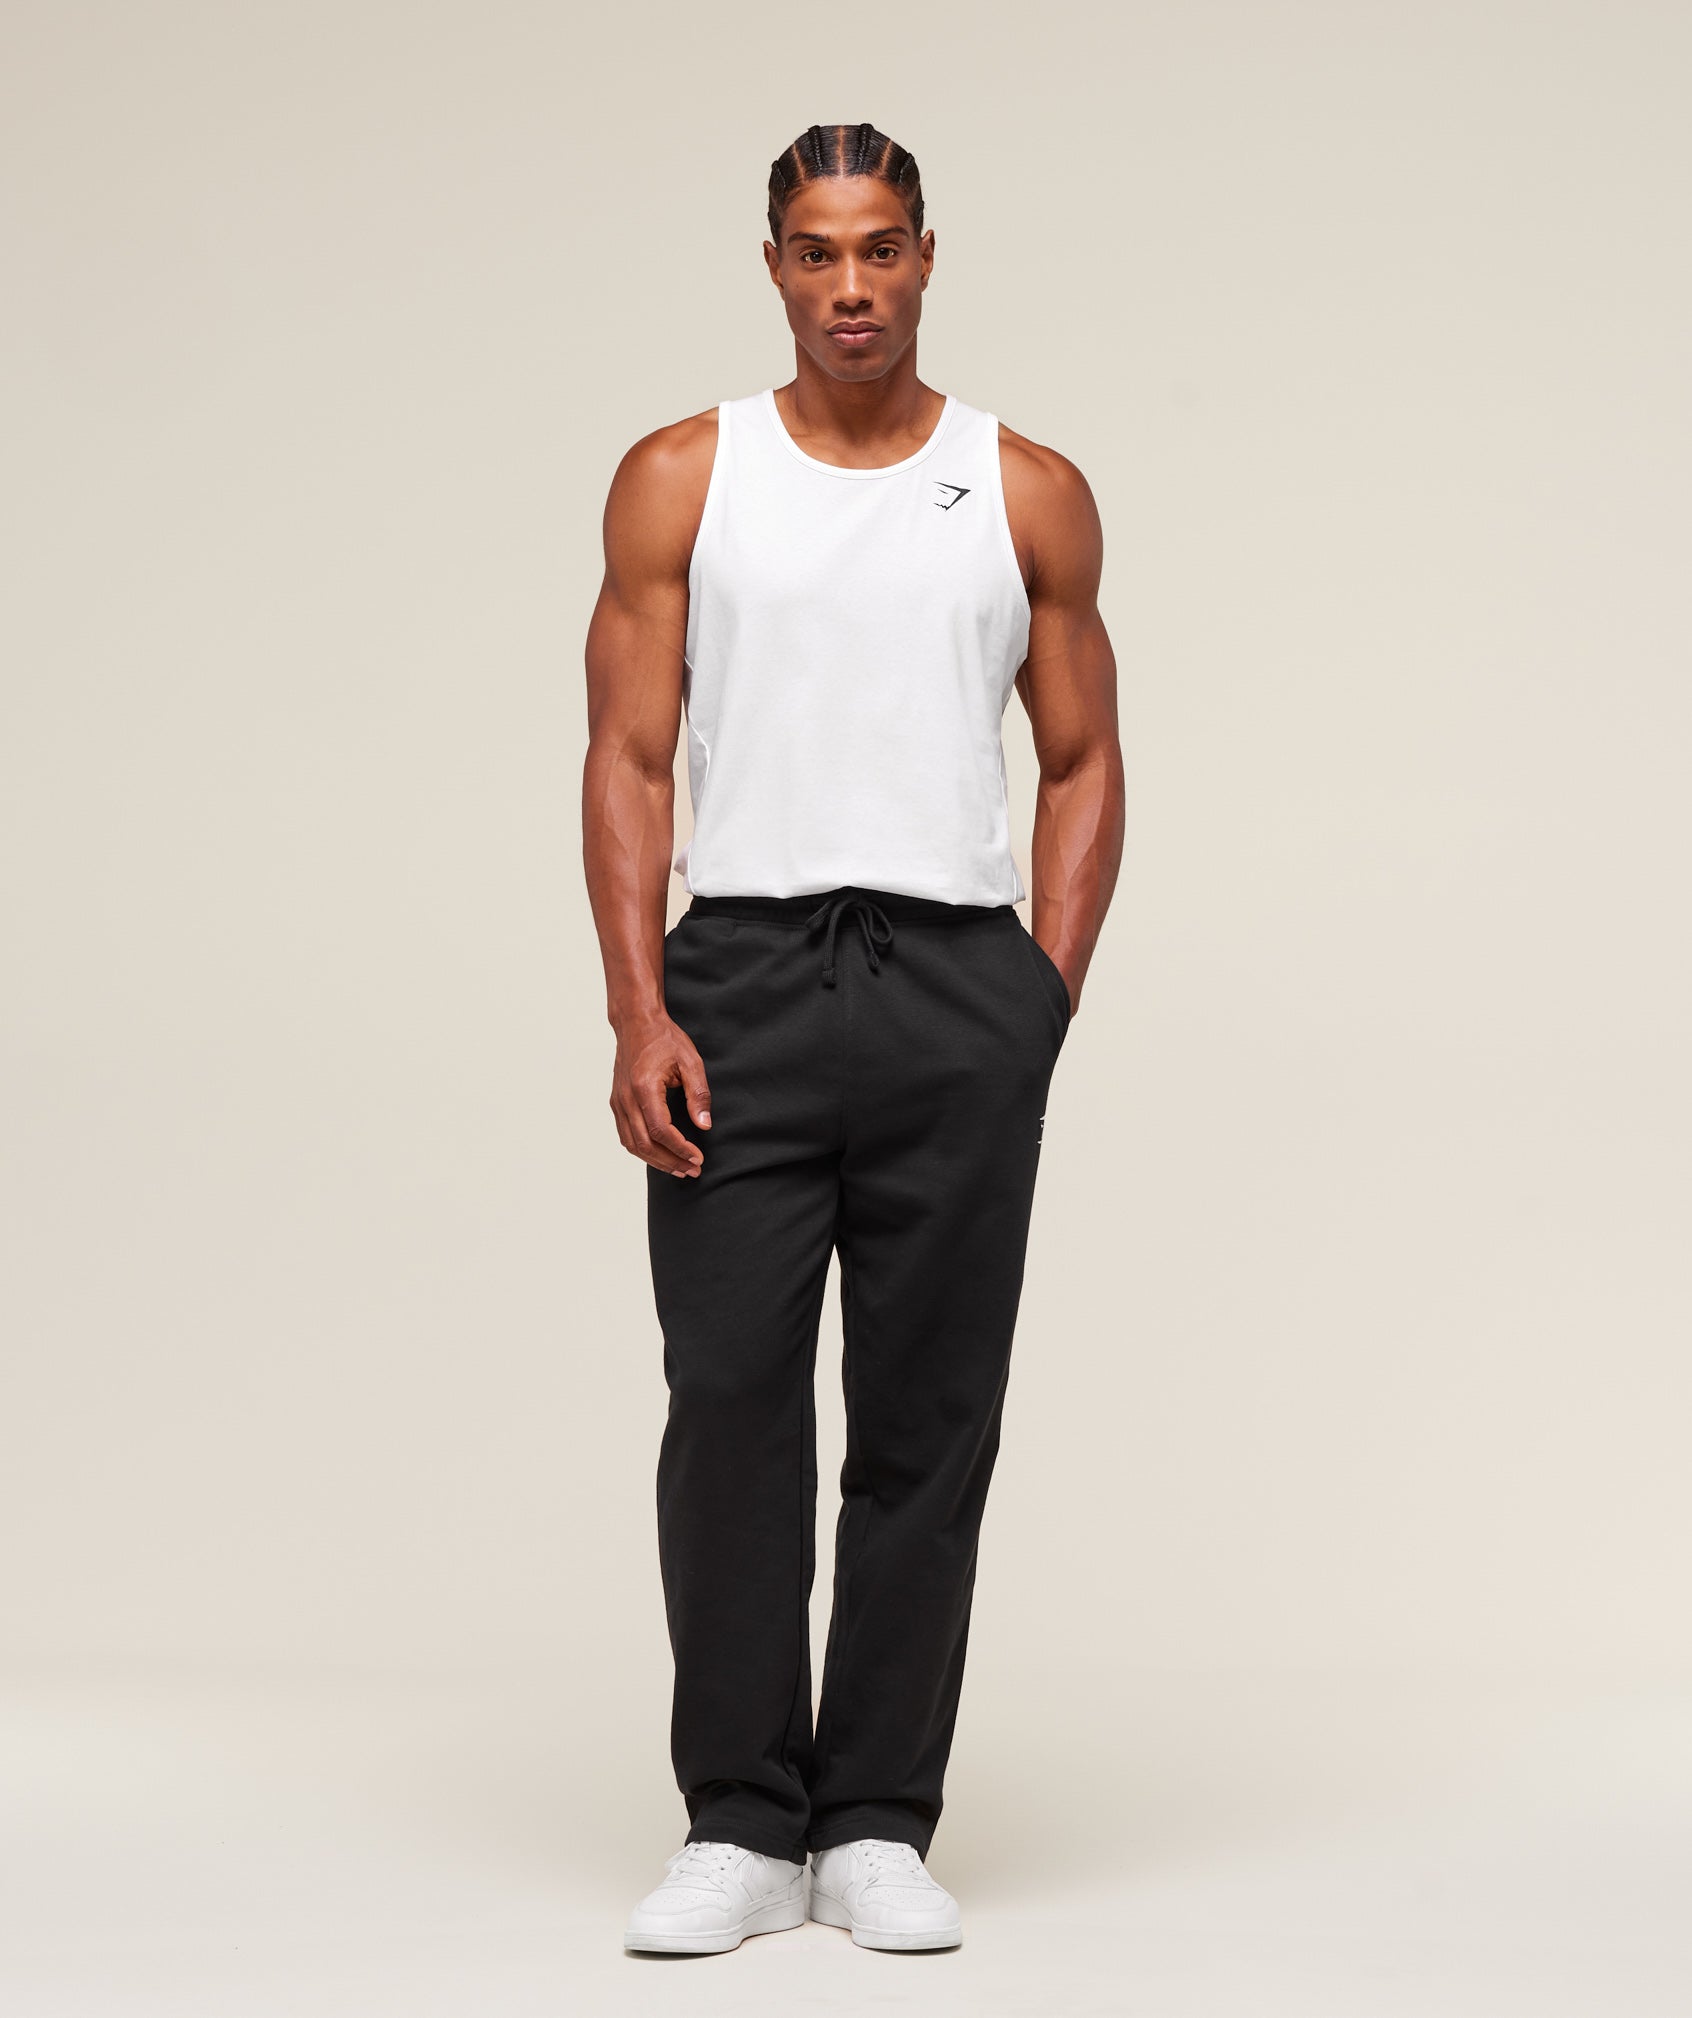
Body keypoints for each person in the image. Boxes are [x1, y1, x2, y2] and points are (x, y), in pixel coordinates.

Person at [583, 120, 1124, 1956]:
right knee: (730, 1403)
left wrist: (1038, 996)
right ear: (774, 268)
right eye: (817, 252)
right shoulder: (684, 475)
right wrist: (638, 1003)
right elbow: (628, 757)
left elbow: (1084, 757)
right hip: (740, 974)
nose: (852, 285)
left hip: (954, 981)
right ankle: (743, 1820)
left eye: (880, 247)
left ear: (927, 257)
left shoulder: (1024, 486)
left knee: (927, 1418)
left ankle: (879, 1815)